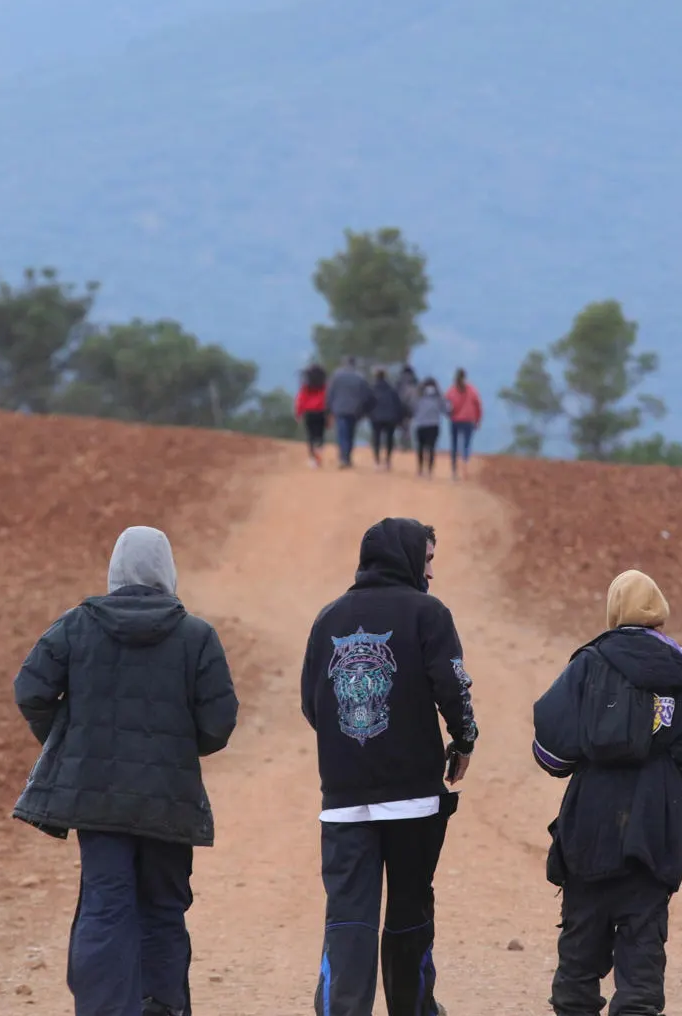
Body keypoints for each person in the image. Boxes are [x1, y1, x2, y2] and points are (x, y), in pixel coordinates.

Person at [12, 527, 240, 1016]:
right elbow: (219, 723)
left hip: (96, 802)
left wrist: (75, 743)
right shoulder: (196, 636)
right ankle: (162, 1005)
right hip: (168, 801)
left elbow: (30, 689)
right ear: (167, 571)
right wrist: (179, 748)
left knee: (105, 904)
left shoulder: (76, 626)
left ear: (115, 569)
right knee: (162, 906)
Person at [301, 518, 478, 1016]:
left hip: (343, 802)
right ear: (406, 558)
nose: (431, 573)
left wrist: (351, 752)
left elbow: (312, 706)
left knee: (348, 922)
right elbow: (454, 689)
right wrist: (464, 741)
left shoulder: (326, 619)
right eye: (427, 561)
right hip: (414, 801)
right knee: (408, 914)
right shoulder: (428, 613)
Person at [533, 570, 682, 1016]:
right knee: (642, 954)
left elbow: (552, 755)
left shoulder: (588, 662)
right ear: (658, 612)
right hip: (655, 824)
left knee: (579, 950)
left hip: (589, 825)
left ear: (614, 612)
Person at [327, 358, 373, 469]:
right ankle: (347, 457)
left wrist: (328, 408)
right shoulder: (360, 378)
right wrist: (364, 410)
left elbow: (330, 393)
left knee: (342, 433)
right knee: (350, 434)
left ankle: (343, 457)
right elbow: (366, 396)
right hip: (354, 410)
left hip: (339, 409)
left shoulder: (336, 377)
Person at [444, 369, 483, 480]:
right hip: (469, 420)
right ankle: (465, 464)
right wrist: (478, 420)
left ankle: (454, 471)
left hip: (455, 420)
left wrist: (449, 415)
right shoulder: (472, 390)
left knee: (454, 445)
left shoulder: (451, 391)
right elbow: (478, 405)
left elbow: (447, 406)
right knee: (466, 444)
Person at [368, 369, 405, 472]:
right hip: (390, 417)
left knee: (376, 438)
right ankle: (388, 460)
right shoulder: (392, 389)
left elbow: (368, 403)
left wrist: (367, 413)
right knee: (389, 439)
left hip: (376, 417)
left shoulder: (372, 389)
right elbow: (398, 404)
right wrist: (399, 418)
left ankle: (377, 461)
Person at [410, 377, 447, 478]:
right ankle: (429, 471)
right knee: (431, 448)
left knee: (420, 448)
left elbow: (412, 409)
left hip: (420, 425)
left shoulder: (418, 396)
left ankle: (420, 469)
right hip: (433, 425)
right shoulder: (438, 397)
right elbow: (445, 409)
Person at [297, 364, 331, 469]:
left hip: (309, 413)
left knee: (310, 436)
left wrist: (299, 413)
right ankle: (318, 453)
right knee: (320, 435)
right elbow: (328, 399)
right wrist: (330, 414)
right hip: (321, 412)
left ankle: (313, 459)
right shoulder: (325, 386)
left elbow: (301, 400)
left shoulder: (306, 387)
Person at [396, 365, 421, 452]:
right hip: (412, 407)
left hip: (401, 406)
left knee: (402, 427)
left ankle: (402, 445)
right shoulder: (415, 381)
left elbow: (396, 394)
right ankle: (408, 444)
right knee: (408, 426)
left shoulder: (400, 381)